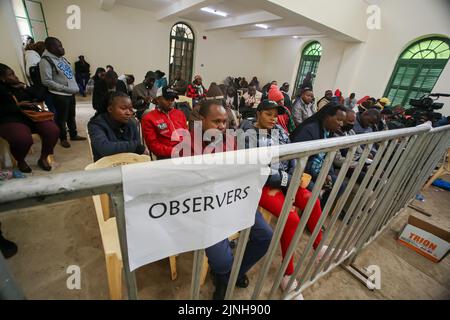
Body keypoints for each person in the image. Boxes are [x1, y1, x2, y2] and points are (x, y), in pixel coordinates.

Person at [241, 100, 336, 300]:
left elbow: (293, 155)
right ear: (258, 113)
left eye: (276, 115)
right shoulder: (247, 135)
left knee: (312, 200)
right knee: (291, 218)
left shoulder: (281, 131)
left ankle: (319, 247)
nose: (273, 118)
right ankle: (288, 273)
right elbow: (257, 170)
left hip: (286, 179)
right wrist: (288, 181)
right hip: (262, 185)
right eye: (268, 114)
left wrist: (293, 176)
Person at [189, 99, 273, 300]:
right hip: (207, 208)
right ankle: (225, 273)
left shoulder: (229, 140)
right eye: (216, 121)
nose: (222, 126)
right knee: (222, 259)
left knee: (265, 236)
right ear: (201, 120)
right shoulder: (188, 145)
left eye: (225, 122)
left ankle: (226, 277)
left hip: (234, 198)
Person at [0, 63, 59, 172]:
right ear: (2, 78)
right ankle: (21, 160)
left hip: (32, 116)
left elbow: (40, 96)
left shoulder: (18, 85)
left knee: (53, 131)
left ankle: (43, 158)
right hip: (10, 119)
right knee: (22, 139)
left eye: (13, 73)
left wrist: (25, 87)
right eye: (11, 75)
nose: (15, 76)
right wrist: (18, 106)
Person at [290, 103, 348, 207]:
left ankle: (317, 214)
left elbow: (327, 157)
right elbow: (297, 159)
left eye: (343, 121)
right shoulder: (309, 130)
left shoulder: (329, 133)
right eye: (339, 120)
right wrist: (319, 175)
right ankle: (309, 217)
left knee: (340, 184)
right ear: (327, 116)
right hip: (303, 173)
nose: (341, 124)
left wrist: (328, 174)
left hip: (317, 172)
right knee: (315, 193)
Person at [39, 37, 86, 148]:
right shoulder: (45, 61)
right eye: (59, 46)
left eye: (61, 45)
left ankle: (74, 135)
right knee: (61, 118)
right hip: (60, 95)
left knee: (71, 116)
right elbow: (46, 81)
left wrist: (73, 88)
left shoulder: (61, 58)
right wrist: (65, 88)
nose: (62, 48)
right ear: (50, 47)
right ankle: (63, 138)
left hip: (70, 94)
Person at [87, 92, 145, 162]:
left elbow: (137, 147)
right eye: (123, 108)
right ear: (110, 109)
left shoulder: (132, 123)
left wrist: (136, 147)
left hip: (129, 163)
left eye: (130, 109)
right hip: (105, 166)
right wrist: (135, 146)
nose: (128, 113)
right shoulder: (96, 125)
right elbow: (105, 148)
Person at [142, 86, 187, 159]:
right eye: (167, 99)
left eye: (172, 99)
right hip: (166, 157)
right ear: (158, 99)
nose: (170, 102)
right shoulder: (149, 118)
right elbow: (153, 145)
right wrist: (174, 151)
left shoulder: (180, 114)